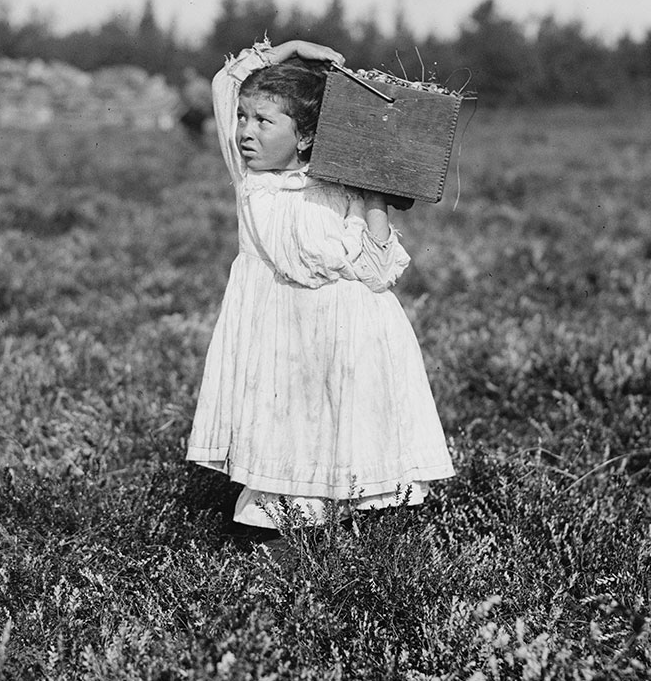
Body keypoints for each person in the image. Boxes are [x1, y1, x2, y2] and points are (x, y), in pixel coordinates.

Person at [186, 39, 454, 535]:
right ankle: (277, 545)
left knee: (351, 434)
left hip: (351, 337)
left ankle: (365, 547)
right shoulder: (250, 179)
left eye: (264, 122)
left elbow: (377, 273)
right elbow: (226, 84)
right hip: (280, 336)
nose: (246, 130)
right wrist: (286, 50)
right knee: (287, 434)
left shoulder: (339, 187)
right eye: (244, 118)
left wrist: (374, 194)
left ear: (305, 136)